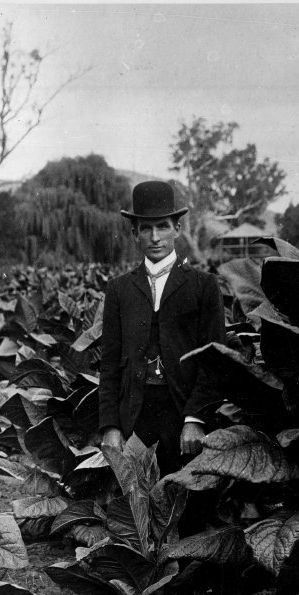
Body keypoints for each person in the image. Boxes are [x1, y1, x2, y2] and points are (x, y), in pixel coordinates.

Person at [98, 180, 226, 476]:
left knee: (185, 506)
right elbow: (109, 364)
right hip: (135, 416)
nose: (155, 237)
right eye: (146, 228)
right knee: (137, 505)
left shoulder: (203, 286)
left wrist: (196, 418)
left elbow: (215, 360)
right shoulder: (120, 289)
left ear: (177, 229)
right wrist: (111, 426)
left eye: (163, 227)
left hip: (183, 417)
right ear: (135, 233)